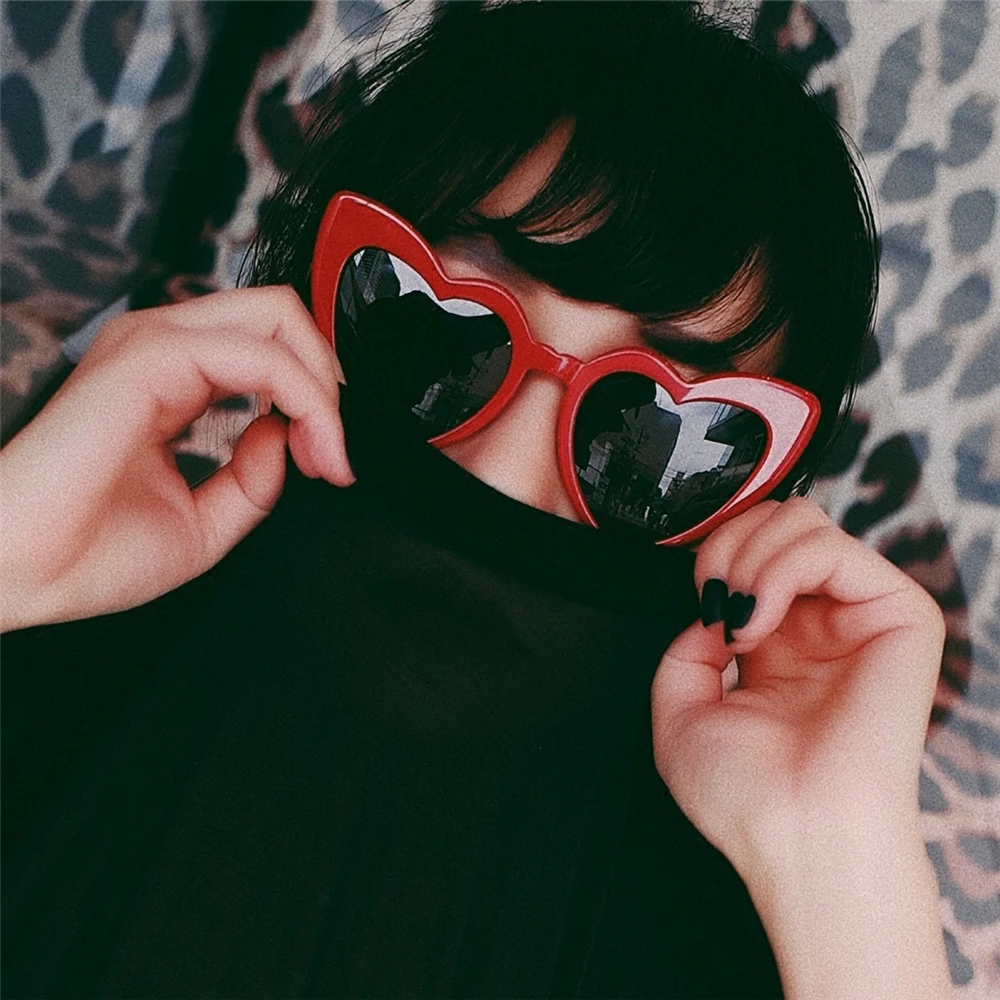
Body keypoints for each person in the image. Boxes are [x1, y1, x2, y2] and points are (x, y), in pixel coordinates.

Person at [0, 3, 952, 998]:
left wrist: (838, 854)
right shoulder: (48, 642)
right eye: (437, 328)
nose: (504, 475)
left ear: (759, 499)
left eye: (655, 434)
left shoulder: (786, 937)